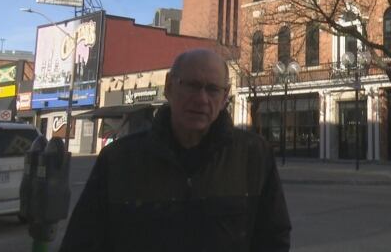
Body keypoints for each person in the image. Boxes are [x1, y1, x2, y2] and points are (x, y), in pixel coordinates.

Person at [60, 49, 291, 251]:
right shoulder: (118, 159)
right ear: (169, 87)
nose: (201, 99)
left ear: (224, 97)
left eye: (212, 89)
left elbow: (273, 237)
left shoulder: (254, 155)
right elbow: (83, 241)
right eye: (191, 85)